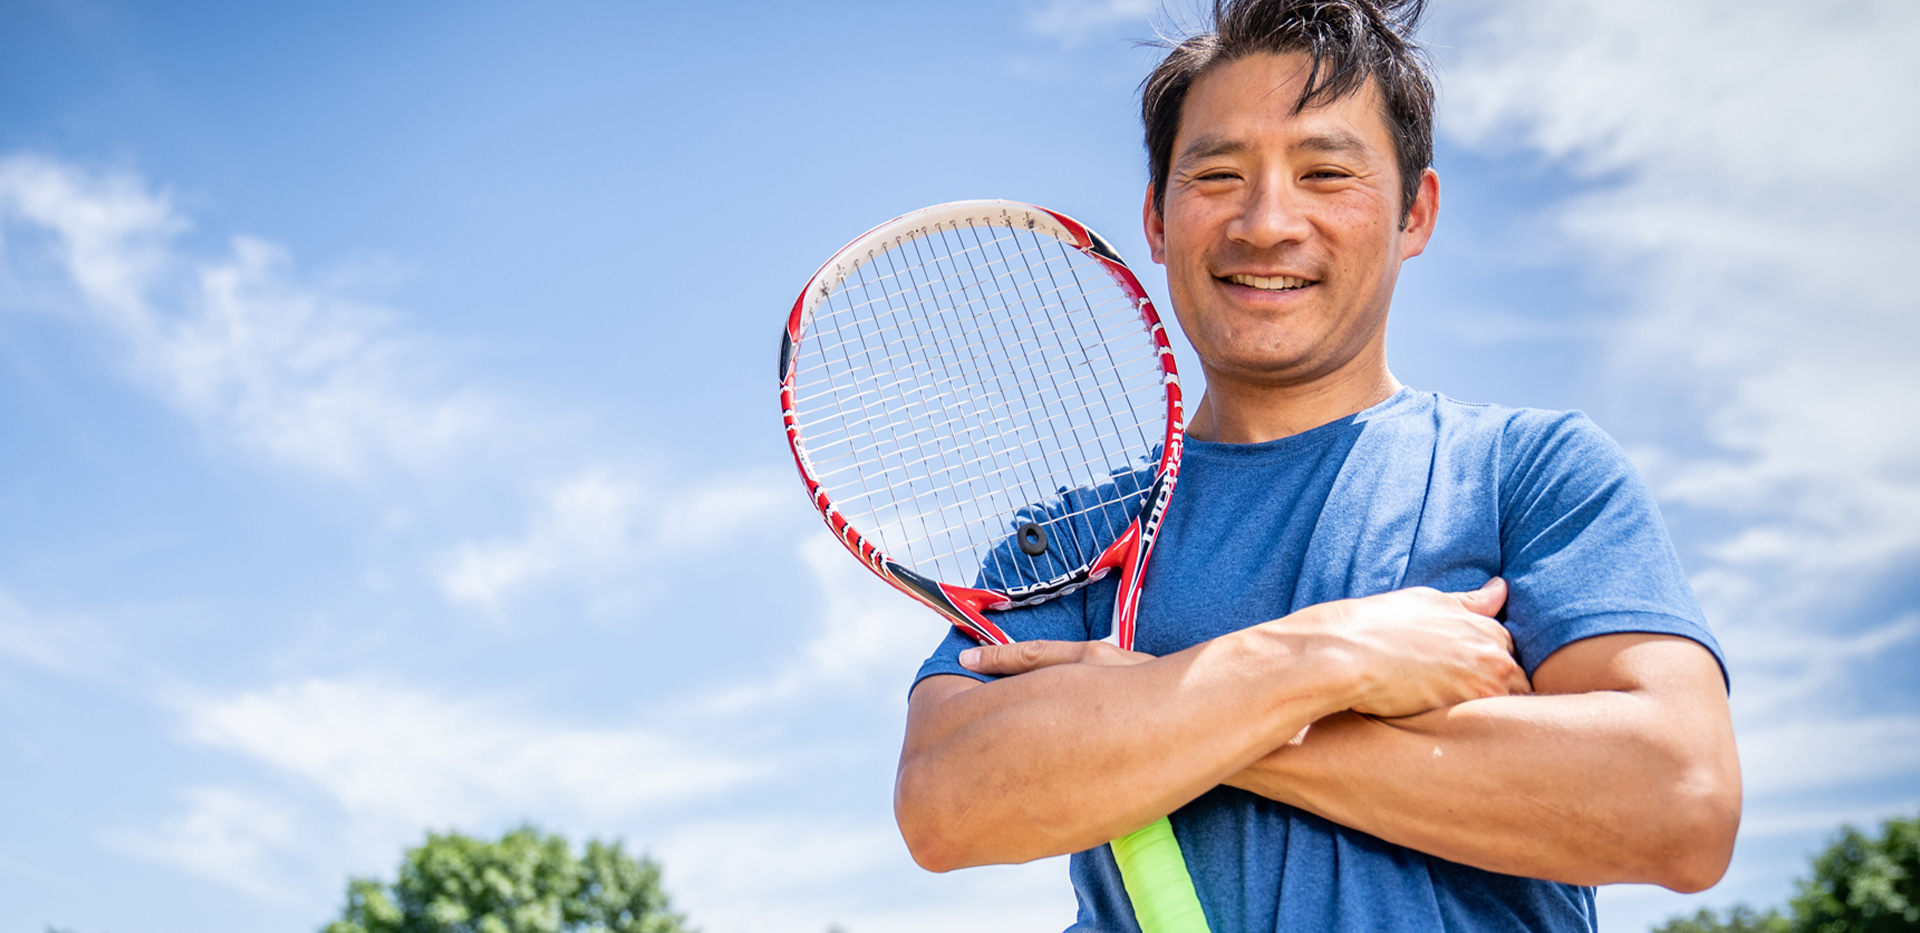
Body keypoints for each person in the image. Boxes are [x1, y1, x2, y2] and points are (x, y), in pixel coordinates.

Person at [892, 1, 1742, 931]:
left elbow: (1678, 801)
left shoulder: (1529, 474)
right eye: (1217, 174)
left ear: (1415, 212)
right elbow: (946, 802)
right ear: (1158, 219)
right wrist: (1333, 656)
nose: (1265, 222)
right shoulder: (1069, 543)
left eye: (1325, 172)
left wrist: (1150, 707)